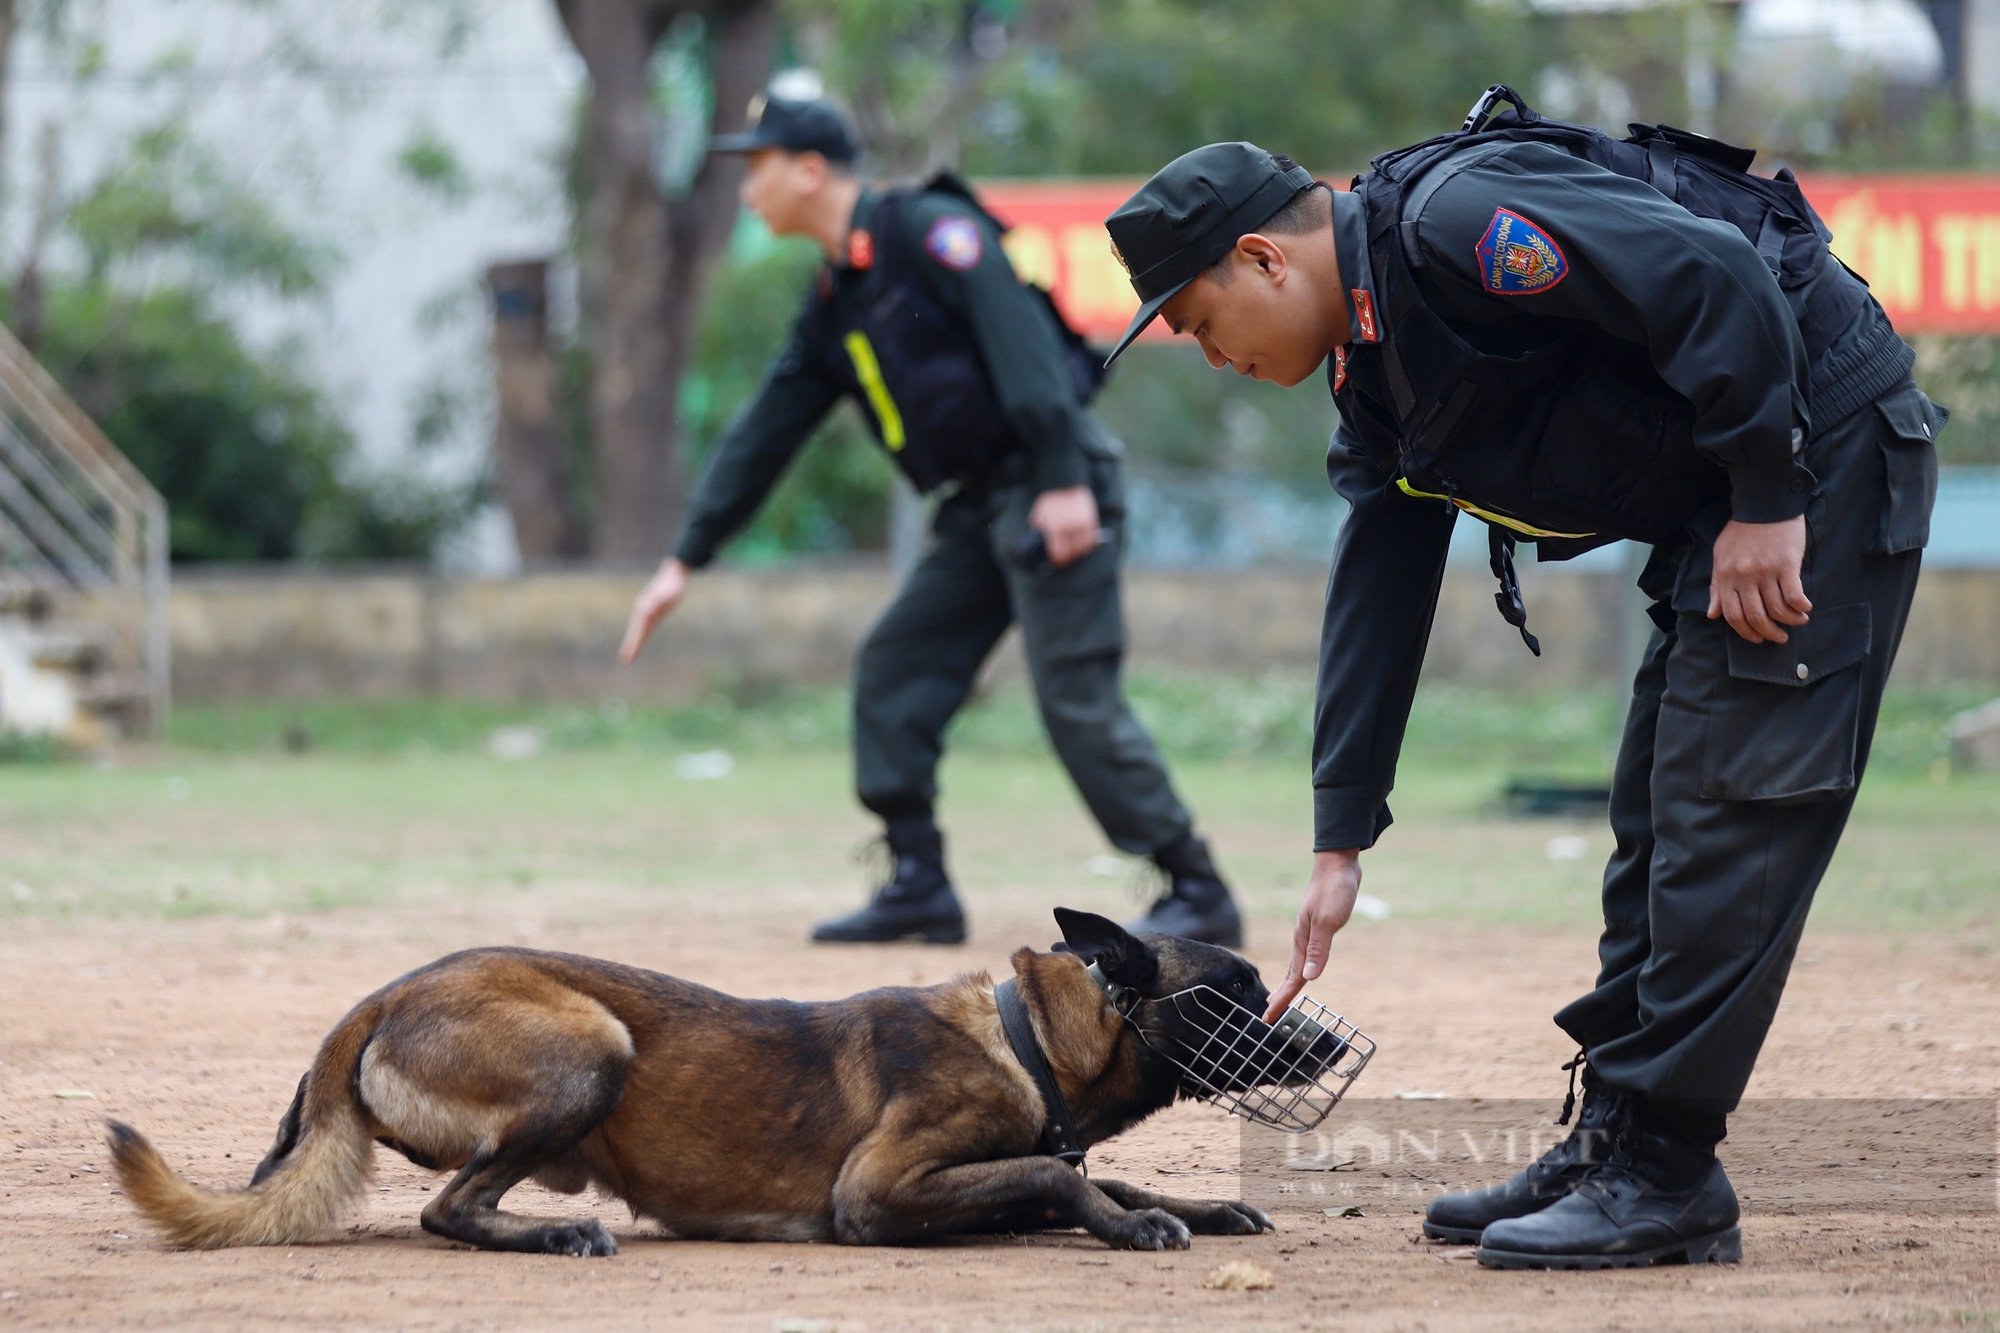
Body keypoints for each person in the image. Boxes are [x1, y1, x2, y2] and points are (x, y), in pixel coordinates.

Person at [1103, 89, 1939, 1269]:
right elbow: (1376, 584)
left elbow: (1713, 276)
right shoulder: (1373, 368)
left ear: (1259, 257)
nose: (1209, 354)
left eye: (1195, 320)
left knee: (1725, 816)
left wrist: (1765, 494)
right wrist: (1340, 841)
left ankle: (1663, 1173)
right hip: (1739, 491)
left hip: (1817, 449)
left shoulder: (1456, 222)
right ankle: (1613, 1140)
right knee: (1654, 819)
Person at [620, 92, 1244, 947]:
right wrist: (684, 558)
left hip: (1051, 479)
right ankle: (919, 883)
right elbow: (767, 429)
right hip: (982, 502)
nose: (745, 191)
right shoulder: (838, 297)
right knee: (895, 665)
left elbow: (1021, 341)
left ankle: (1194, 883)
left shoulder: (929, 229)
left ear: (809, 170)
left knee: (1074, 695)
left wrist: (1062, 477)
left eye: (756, 169)